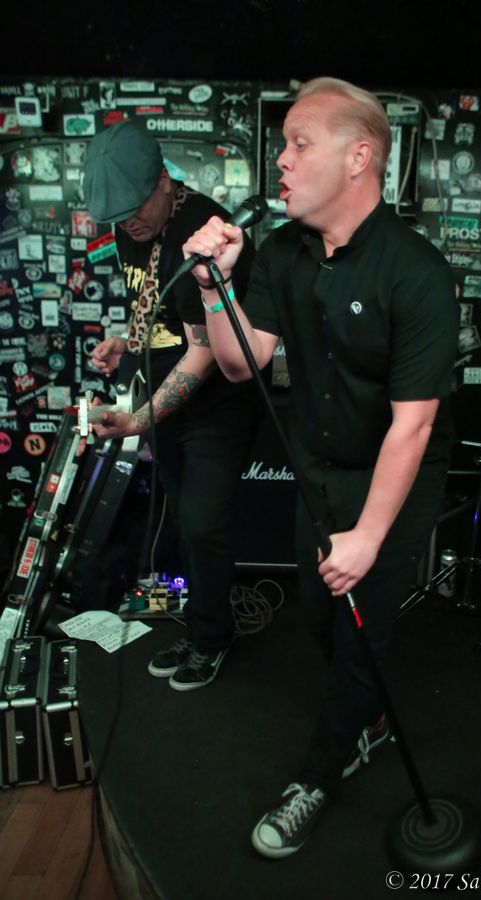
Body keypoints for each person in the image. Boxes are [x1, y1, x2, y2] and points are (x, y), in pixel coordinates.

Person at [182, 77, 460, 857]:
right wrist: (213, 286)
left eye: (300, 144)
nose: (282, 160)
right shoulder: (282, 252)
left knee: (363, 628)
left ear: (359, 157)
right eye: (283, 145)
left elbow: (414, 424)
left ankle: (317, 775)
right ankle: (362, 707)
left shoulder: (416, 271)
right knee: (319, 615)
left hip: (394, 474)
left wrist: (369, 537)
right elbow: (238, 362)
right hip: (319, 466)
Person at [82, 121, 262, 690]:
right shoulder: (131, 229)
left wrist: (136, 420)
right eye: (116, 218)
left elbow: (205, 352)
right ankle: (204, 623)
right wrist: (126, 342)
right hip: (168, 401)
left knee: (204, 523)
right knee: (185, 520)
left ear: (164, 179)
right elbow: (155, 308)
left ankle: (212, 638)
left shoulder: (205, 230)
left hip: (217, 404)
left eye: (134, 210)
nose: (127, 225)